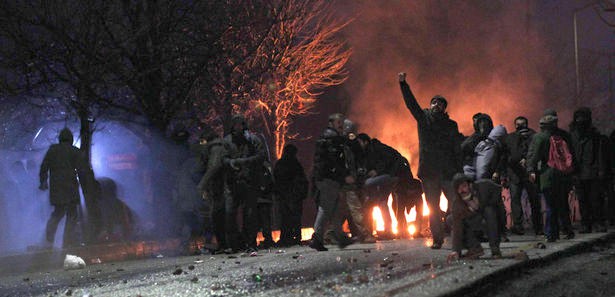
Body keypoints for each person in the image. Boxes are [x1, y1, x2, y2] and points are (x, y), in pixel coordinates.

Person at [398, 72, 463, 249]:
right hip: (430, 173)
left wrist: (460, 171)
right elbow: (412, 104)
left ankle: (460, 236)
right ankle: (438, 239)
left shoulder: (451, 125)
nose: (436, 105)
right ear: (430, 105)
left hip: (449, 172)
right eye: (434, 102)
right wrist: (403, 84)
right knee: (433, 208)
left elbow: (457, 149)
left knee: (457, 205)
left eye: (440, 104)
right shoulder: (423, 119)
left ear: (444, 108)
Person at [527, 109, 575, 242]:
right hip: (564, 174)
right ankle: (567, 230)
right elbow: (572, 154)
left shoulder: (539, 137)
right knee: (563, 204)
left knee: (550, 205)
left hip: (547, 174)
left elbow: (534, 156)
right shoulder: (564, 135)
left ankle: (551, 233)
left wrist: (530, 169)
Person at [309, 113, 354, 251]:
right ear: (331, 123)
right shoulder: (332, 139)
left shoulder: (331, 138)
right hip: (328, 178)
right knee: (326, 207)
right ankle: (316, 238)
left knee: (334, 209)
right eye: (338, 122)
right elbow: (334, 161)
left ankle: (341, 238)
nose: (341, 124)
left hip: (327, 177)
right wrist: (344, 175)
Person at [223, 115, 266, 253]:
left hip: (249, 182)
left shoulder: (252, 139)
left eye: (240, 125)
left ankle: (250, 243)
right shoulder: (227, 141)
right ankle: (234, 244)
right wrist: (231, 162)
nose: (238, 128)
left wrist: (246, 161)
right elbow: (222, 158)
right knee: (230, 214)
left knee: (250, 215)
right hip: (233, 182)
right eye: (235, 125)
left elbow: (261, 156)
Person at [39, 128, 86, 248]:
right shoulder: (74, 151)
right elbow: (82, 169)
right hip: (70, 187)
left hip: (57, 188)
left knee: (58, 213)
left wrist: (43, 182)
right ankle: (68, 241)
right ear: (70, 139)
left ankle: (49, 240)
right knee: (72, 214)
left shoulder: (52, 150)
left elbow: (44, 167)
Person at [569, 107, 608, 233]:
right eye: (579, 118)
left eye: (583, 118)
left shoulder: (595, 136)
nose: (581, 121)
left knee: (595, 200)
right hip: (578, 173)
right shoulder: (571, 136)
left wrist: (601, 171)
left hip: (593, 172)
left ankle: (598, 222)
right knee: (583, 200)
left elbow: (600, 155)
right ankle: (586, 224)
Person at [447, 173, 502, 261]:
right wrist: (456, 251)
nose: (462, 190)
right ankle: (474, 248)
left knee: (489, 210)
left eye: (464, 186)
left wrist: (484, 205)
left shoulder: (484, 187)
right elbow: (457, 227)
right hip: (475, 223)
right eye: (459, 188)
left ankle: (495, 249)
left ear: (470, 185)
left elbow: (498, 192)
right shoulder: (457, 203)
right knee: (450, 219)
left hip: (489, 220)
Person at [504, 116, 542, 235]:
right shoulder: (510, 138)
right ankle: (518, 226)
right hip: (515, 174)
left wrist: (527, 160)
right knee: (515, 200)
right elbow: (506, 155)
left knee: (534, 200)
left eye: (523, 124)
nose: (520, 126)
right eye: (518, 124)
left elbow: (537, 152)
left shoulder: (534, 136)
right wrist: (516, 160)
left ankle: (538, 226)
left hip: (530, 173)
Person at [197, 128, 229, 254]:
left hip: (222, 188)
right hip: (220, 187)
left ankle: (225, 245)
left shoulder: (216, 148)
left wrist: (202, 185)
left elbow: (213, 167)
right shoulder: (217, 147)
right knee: (220, 216)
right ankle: (226, 244)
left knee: (218, 217)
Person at [274, 144, 308, 247]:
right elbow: (302, 180)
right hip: (292, 195)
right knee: (294, 218)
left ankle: (287, 238)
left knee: (286, 218)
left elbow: (277, 180)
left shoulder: (282, 164)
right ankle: (295, 238)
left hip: (287, 195)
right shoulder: (295, 164)